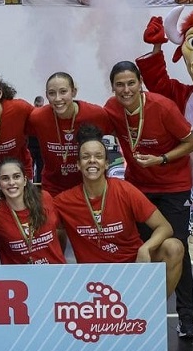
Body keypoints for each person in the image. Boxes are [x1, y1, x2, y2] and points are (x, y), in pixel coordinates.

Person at [104, 61, 193, 338]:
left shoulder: (163, 107)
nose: (126, 89)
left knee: (177, 247)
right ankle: (140, 312)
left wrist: (162, 159)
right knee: (142, 248)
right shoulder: (112, 108)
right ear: (112, 87)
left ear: (140, 83)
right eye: (120, 84)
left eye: (131, 83)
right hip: (139, 187)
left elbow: (192, 143)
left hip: (174, 187)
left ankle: (186, 318)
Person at [54, 125, 184, 295]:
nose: (92, 160)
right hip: (92, 277)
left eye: (98, 156)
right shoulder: (64, 201)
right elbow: (42, 229)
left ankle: (155, 309)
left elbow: (165, 227)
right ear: (78, 165)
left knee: (174, 247)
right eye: (86, 157)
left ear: (106, 163)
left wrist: (145, 248)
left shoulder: (125, 190)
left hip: (131, 268)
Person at [29, 72, 112, 196]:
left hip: (89, 187)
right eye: (52, 93)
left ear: (73, 92)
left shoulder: (96, 115)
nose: (57, 98)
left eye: (63, 92)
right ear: (46, 95)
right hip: (53, 188)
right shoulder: (37, 118)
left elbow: (121, 132)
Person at [0, 159, 65, 264]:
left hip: (55, 272)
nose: (11, 182)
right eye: (5, 178)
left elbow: (60, 230)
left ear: (25, 180)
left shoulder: (44, 198)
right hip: (20, 278)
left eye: (16, 177)